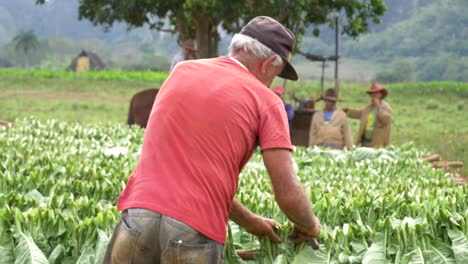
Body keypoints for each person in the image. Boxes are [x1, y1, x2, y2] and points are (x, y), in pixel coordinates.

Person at [104, 16, 320, 263]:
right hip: (193, 231)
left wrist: (249, 221)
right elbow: (288, 194)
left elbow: (196, 175)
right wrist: (310, 225)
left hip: (137, 217)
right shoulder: (267, 101)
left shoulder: (182, 72)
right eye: (276, 73)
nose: (271, 82)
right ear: (269, 62)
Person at [344, 83, 392, 147]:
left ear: (380, 94)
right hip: (365, 141)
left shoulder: (386, 107)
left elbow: (386, 120)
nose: (373, 96)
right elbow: (360, 113)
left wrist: (378, 107)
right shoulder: (369, 107)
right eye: (372, 94)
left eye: (375, 93)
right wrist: (347, 112)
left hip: (377, 143)